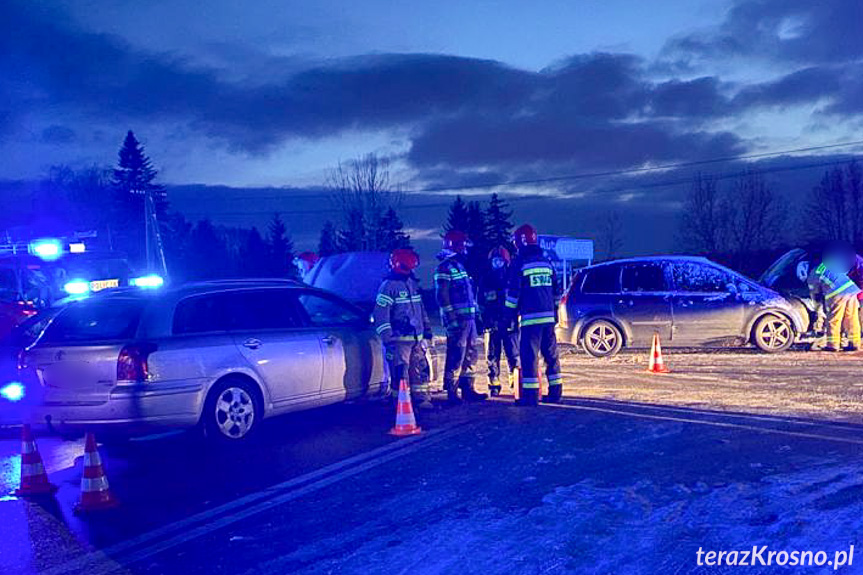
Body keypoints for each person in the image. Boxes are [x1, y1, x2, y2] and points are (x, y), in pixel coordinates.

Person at [506, 224, 563, 405]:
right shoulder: (546, 261)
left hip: (531, 319)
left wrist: (508, 316)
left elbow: (513, 294)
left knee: (529, 358)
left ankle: (530, 397)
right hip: (548, 319)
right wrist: (554, 312)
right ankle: (555, 393)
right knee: (551, 356)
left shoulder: (519, 263)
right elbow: (557, 290)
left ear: (520, 242)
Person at [373, 248, 435, 409]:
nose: (412, 270)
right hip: (399, 340)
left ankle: (421, 400)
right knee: (400, 373)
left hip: (416, 338)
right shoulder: (388, 286)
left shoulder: (411, 284)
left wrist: (427, 330)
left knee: (419, 371)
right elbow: (381, 314)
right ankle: (400, 403)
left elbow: (420, 309)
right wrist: (387, 338)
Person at [435, 230, 487, 404]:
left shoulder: (459, 266)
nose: (466, 249)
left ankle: (468, 389)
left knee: (470, 355)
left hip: (469, 320)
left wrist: (477, 316)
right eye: (463, 245)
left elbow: (469, 295)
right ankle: (451, 392)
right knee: (456, 355)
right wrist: (452, 319)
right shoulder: (445, 267)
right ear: (456, 246)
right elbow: (442, 296)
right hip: (458, 320)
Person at [807, 241, 862, 352]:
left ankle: (833, 345)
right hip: (851, 289)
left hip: (837, 293)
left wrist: (818, 307)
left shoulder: (814, 273)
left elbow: (815, 292)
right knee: (851, 317)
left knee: (833, 319)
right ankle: (855, 343)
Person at [480, 246, 519, 396]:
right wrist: (486, 322)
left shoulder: (512, 278)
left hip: (510, 323)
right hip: (492, 324)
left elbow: (517, 300)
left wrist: (514, 319)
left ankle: (516, 382)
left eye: (500, 261)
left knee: (514, 355)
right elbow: (481, 303)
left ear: (506, 261)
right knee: (492, 356)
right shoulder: (486, 279)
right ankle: (494, 385)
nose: (497, 263)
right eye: (495, 261)